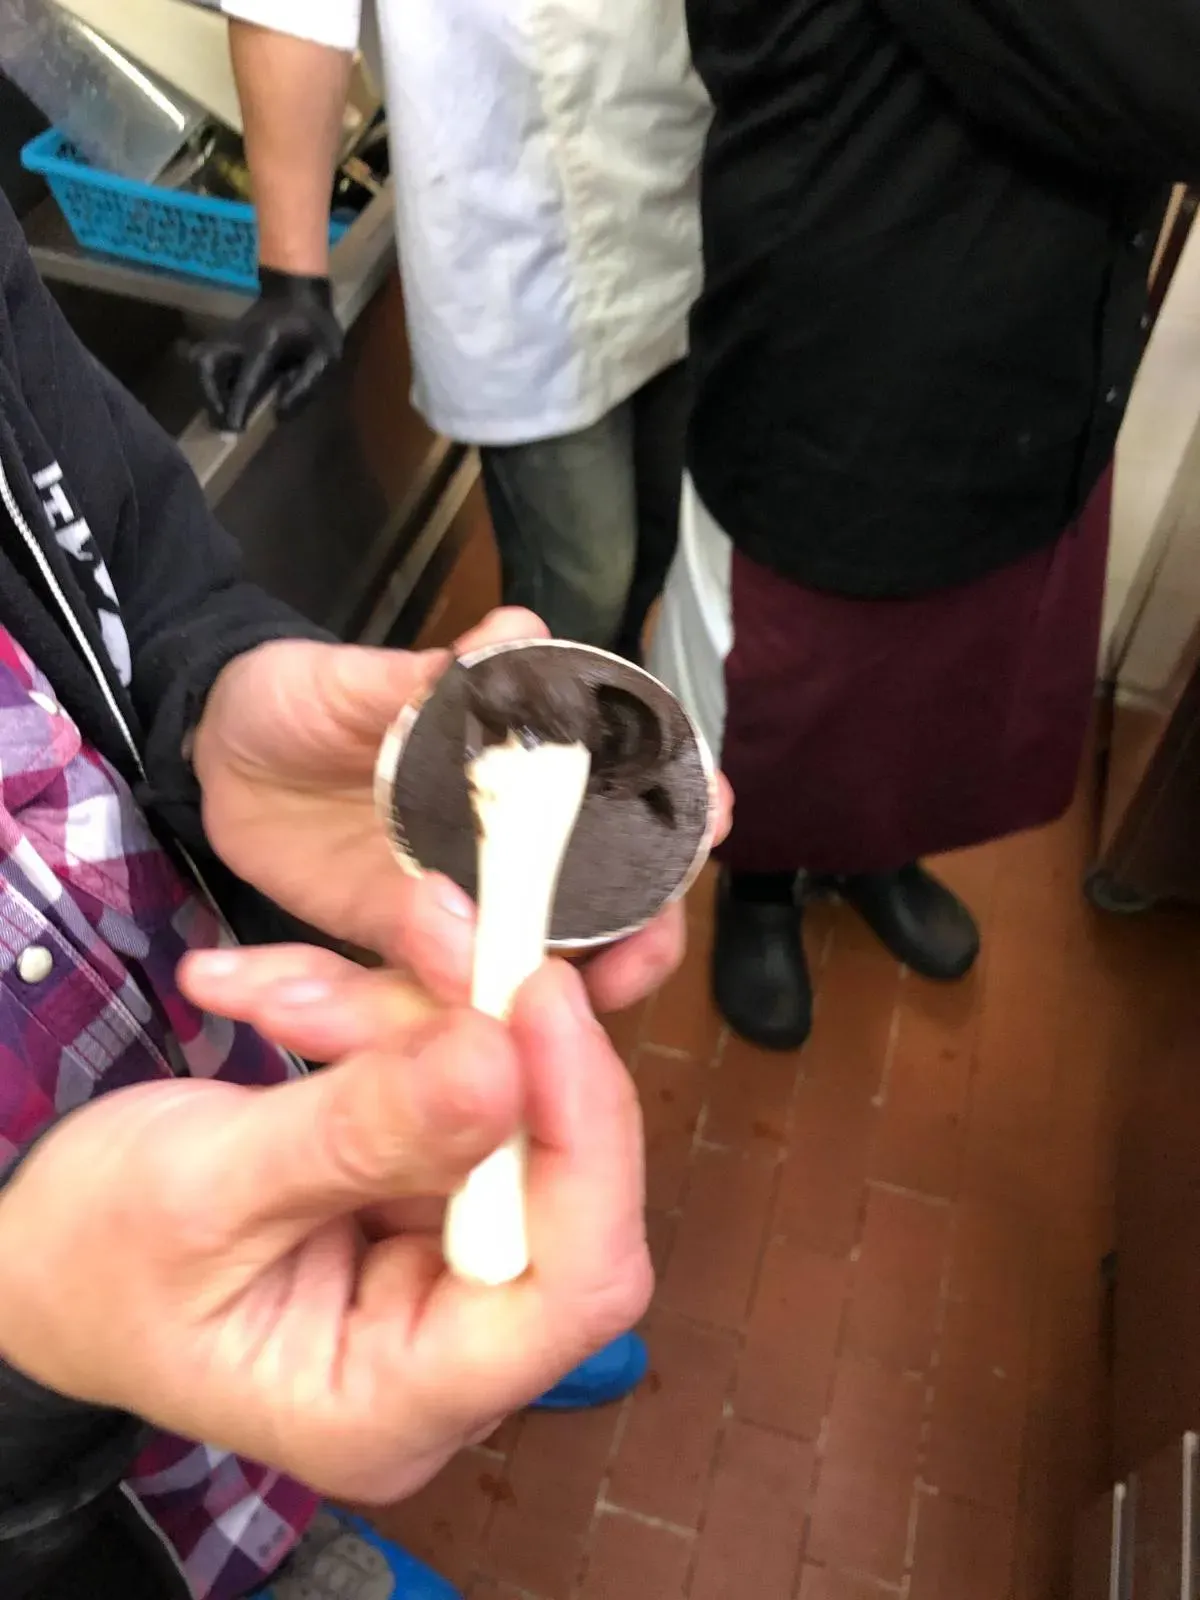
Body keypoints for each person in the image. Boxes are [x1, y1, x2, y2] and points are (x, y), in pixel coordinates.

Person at [0, 191, 727, 1599]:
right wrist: (29, 1354)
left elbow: (124, 542)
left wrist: (217, 703)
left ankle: (274, 1496)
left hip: (220, 1073)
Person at [651, 0, 1192, 1049]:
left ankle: (874, 850)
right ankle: (761, 887)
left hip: (1029, 363)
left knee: (939, 682)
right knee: (795, 693)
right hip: (850, 358)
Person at [194, 1, 710, 659]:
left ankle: (616, 717)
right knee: (582, 582)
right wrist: (292, 273)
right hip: (512, 240)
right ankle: (535, 740)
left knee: (669, 532)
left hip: (682, 190)